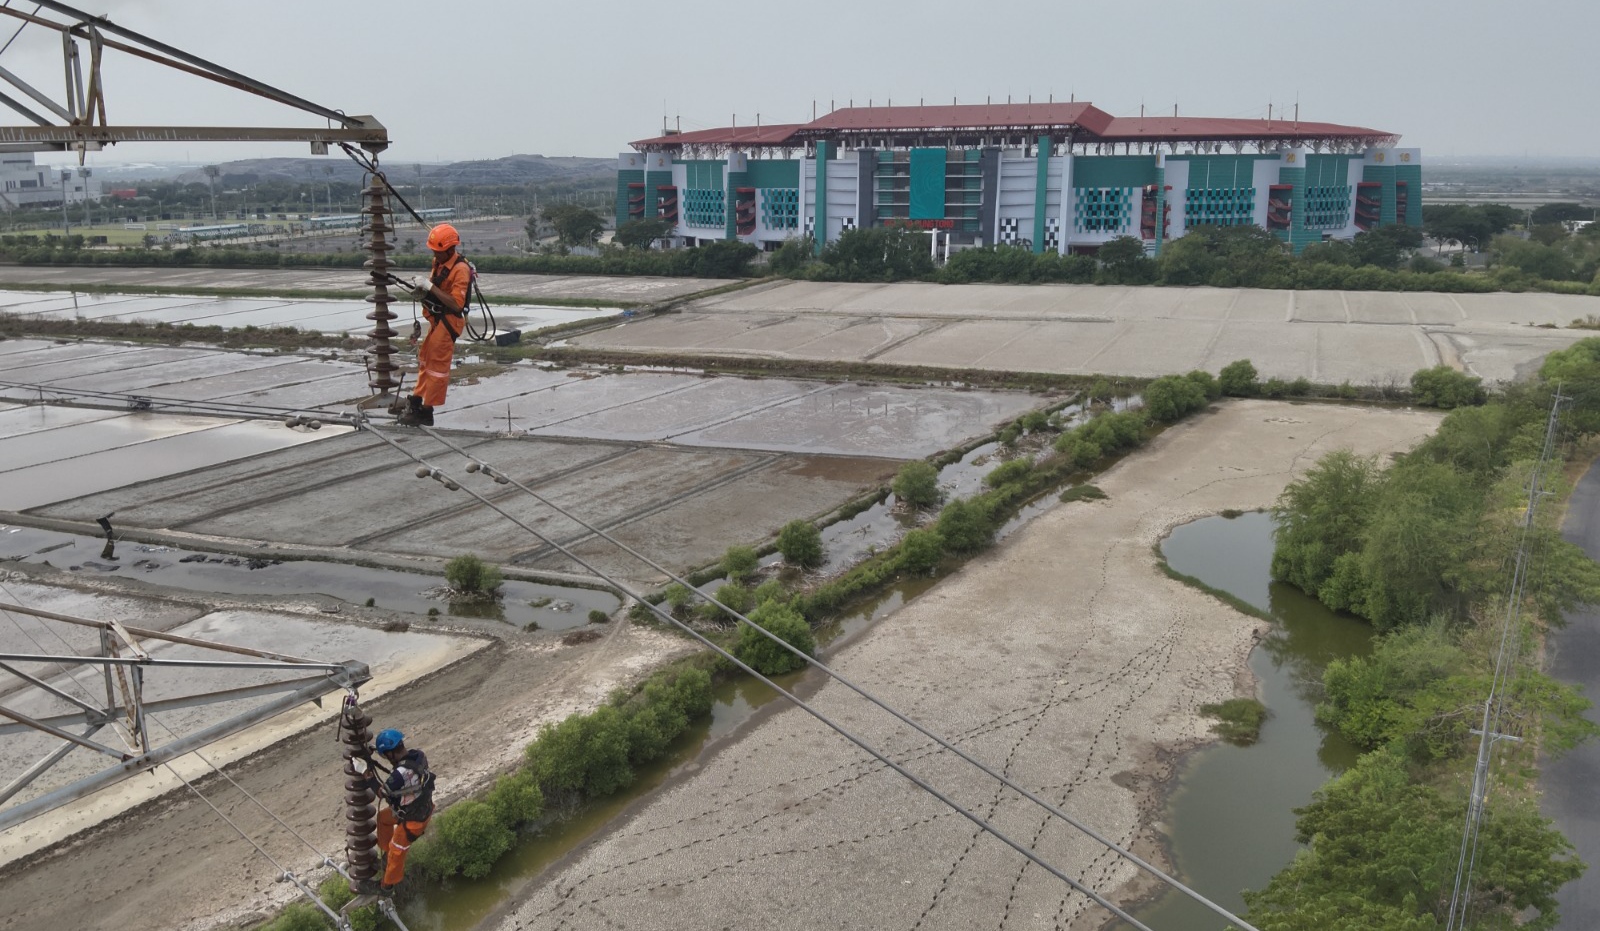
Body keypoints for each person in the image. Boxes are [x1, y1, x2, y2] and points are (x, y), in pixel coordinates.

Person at [398, 223, 471, 426]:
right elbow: (434, 289)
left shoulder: (461, 270)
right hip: (438, 319)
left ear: (450, 249)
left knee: (437, 366)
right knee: (425, 359)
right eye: (434, 252)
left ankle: (427, 410)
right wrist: (423, 289)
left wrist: (429, 286)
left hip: (449, 321)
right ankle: (417, 399)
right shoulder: (439, 263)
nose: (435, 255)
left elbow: (457, 304)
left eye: (438, 252)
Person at [357, 728, 435, 896]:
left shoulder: (400, 774)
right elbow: (400, 773)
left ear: (390, 754)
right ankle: (385, 855)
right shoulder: (417, 755)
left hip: (413, 820)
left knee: (397, 852)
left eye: (385, 755)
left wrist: (367, 775)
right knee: (382, 819)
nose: (386, 758)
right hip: (419, 807)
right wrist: (374, 750)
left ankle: (385, 887)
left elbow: (382, 792)